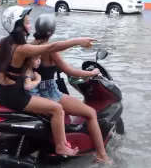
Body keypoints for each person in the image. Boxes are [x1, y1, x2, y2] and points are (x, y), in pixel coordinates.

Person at [0, 6, 96, 156]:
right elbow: (52, 47)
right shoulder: (21, 48)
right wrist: (77, 41)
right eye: (27, 22)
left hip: (0, 93)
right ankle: (61, 146)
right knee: (57, 109)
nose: (30, 25)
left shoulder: (3, 43)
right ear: (18, 26)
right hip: (15, 96)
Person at [28, 14, 112, 163]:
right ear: (52, 31)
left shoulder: (29, 46)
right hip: (50, 93)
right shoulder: (50, 50)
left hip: (32, 93)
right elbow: (70, 71)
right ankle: (101, 154)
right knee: (91, 113)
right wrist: (91, 73)